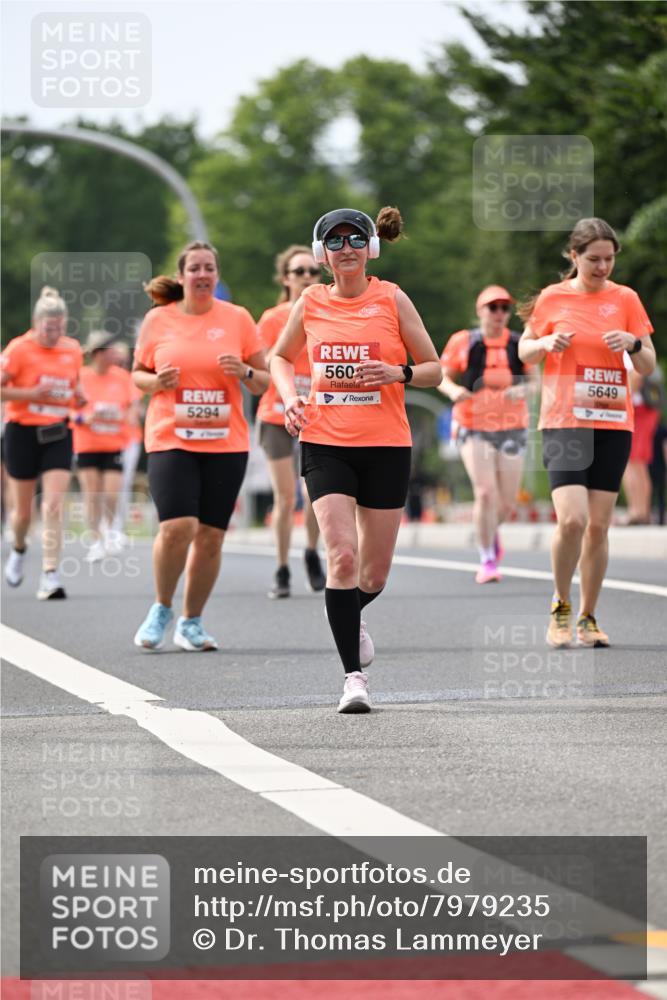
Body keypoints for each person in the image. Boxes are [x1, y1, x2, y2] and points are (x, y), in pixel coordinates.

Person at [270, 207, 442, 713]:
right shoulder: (311, 301)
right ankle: (353, 678)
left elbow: (434, 368)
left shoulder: (391, 297)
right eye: (335, 241)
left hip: (386, 445)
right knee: (340, 557)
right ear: (323, 254)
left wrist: (396, 372)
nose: (345, 248)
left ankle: (347, 611)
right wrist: (290, 398)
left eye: (354, 239)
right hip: (326, 442)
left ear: (370, 248)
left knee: (373, 574)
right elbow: (280, 358)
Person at [518, 218, 656, 648]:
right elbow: (524, 348)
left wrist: (633, 345)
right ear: (574, 256)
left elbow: (648, 363)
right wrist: (544, 345)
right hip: (564, 421)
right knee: (573, 519)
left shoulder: (626, 299)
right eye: (593, 259)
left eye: (609, 259)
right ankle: (560, 605)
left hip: (612, 421)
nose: (602, 267)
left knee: (598, 526)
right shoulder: (552, 298)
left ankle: (588, 616)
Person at [132, 241, 269, 651]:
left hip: (226, 441)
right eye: (195, 268)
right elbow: (137, 375)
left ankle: (191, 622)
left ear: (217, 275)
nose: (203, 275)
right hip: (170, 435)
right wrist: (156, 383)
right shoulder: (159, 320)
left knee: (211, 536)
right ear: (182, 276)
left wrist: (244, 370)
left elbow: (263, 381)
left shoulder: (238, 318)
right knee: (178, 527)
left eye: (210, 268)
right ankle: (161, 607)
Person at [438, 286, 538, 583]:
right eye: (492, 307)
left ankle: (491, 534)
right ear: (480, 310)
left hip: (511, 426)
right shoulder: (463, 341)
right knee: (485, 492)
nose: (498, 314)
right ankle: (487, 559)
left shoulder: (520, 343)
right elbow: (442, 376)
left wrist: (523, 389)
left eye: (504, 308)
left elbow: (536, 383)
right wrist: (455, 390)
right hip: (473, 425)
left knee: (506, 503)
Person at [1, 286, 84, 599]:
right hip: (22, 431)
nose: (55, 334)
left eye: (60, 328)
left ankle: (50, 573)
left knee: (52, 504)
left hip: (57, 433)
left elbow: (72, 389)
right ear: (36, 324)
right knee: (23, 513)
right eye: (49, 329)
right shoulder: (19, 349)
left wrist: (78, 397)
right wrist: (29, 395)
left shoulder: (73, 349)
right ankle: (20, 549)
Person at [256, 245, 326, 598]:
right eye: (299, 272)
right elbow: (262, 363)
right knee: (285, 496)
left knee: (314, 493)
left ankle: (312, 553)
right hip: (277, 414)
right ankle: (282, 567)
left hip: (318, 412)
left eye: (313, 271)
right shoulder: (272, 318)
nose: (307, 278)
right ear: (286, 278)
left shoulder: (328, 312)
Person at [73, 331, 135, 561]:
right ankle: (96, 540)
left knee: (111, 493)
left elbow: (131, 406)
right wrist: (83, 418)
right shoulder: (81, 377)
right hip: (87, 444)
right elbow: (68, 409)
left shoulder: (121, 377)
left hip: (114, 443)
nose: (116, 354)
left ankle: (110, 531)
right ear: (98, 354)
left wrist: (125, 415)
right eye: (110, 350)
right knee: (92, 493)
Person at [108, 340, 144, 548]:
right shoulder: (94, 378)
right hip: (103, 441)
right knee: (102, 486)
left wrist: (127, 413)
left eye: (122, 361)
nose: (119, 365)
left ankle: (116, 527)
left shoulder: (130, 381)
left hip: (128, 439)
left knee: (123, 484)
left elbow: (135, 410)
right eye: (116, 361)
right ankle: (103, 526)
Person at [621, 363, 662, 524]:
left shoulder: (627, 349)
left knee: (632, 462)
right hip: (644, 410)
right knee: (639, 464)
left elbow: (636, 377)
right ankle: (641, 511)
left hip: (638, 411)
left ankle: (636, 511)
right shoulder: (640, 348)